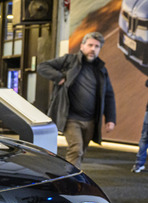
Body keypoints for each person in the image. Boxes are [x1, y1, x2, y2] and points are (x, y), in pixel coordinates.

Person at [38, 31, 116, 168]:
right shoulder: (69, 61)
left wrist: (110, 119)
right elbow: (42, 66)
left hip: (91, 120)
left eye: (97, 46)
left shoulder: (101, 70)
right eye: (90, 45)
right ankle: (70, 181)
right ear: (82, 46)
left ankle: (72, 176)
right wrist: (59, 77)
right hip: (71, 118)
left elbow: (108, 95)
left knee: (81, 152)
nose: (93, 49)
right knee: (76, 149)